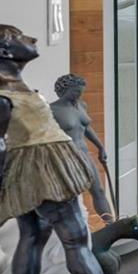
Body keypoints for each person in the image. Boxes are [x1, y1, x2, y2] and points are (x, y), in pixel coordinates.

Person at [0, 23, 129, 274]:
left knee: (32, 238)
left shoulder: (9, 85)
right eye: (19, 38)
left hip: (35, 170)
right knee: (75, 242)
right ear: (2, 51)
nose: (31, 39)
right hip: (42, 173)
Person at [49, 74, 115, 223]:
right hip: (67, 157)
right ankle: (74, 229)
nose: (79, 95)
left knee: (98, 190)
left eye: (81, 91)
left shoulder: (81, 105)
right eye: (75, 92)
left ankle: (110, 225)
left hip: (84, 153)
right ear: (64, 90)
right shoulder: (51, 110)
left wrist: (100, 147)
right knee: (71, 196)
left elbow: (86, 128)